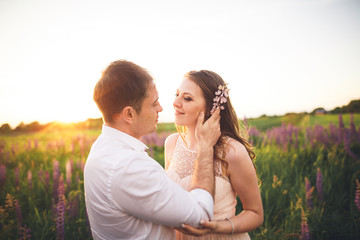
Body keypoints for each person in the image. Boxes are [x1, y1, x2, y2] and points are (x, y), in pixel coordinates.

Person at [84, 60, 222, 240]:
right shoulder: (130, 167)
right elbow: (201, 216)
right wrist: (205, 148)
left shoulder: (102, 147)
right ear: (129, 114)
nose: (161, 108)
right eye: (154, 103)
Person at [165, 70, 263, 239]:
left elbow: (255, 214)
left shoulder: (232, 151)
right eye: (177, 94)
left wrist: (217, 227)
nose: (175, 102)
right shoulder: (172, 143)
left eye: (187, 98)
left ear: (212, 107)